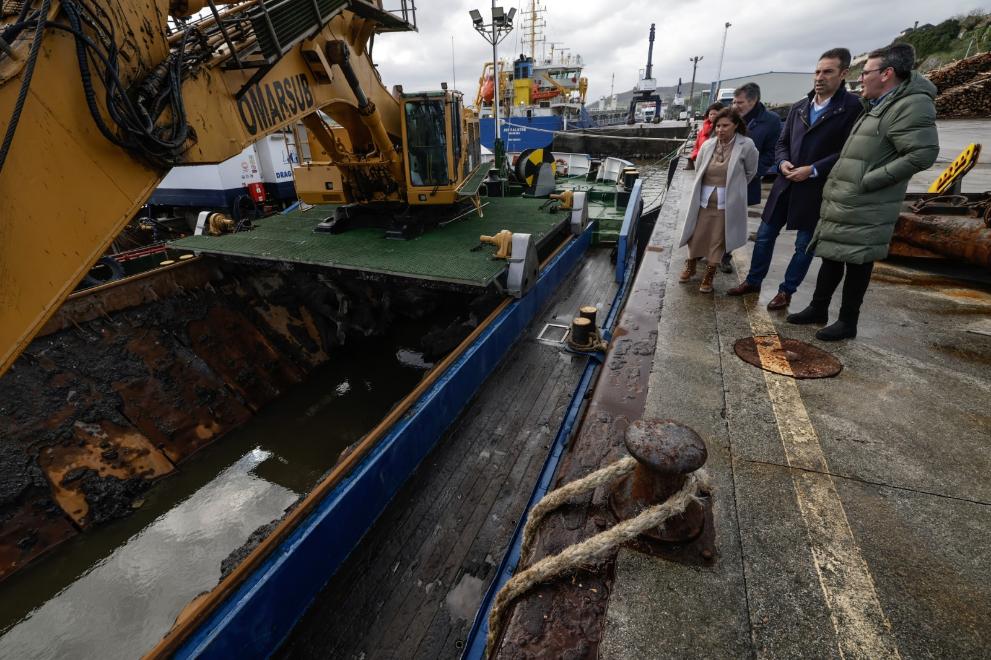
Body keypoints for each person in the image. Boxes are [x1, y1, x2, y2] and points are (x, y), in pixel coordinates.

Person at [788, 42, 938, 340]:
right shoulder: (877, 104)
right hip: (846, 199)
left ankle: (847, 321)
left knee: (858, 261)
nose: (861, 79)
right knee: (832, 255)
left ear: (887, 74)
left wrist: (870, 180)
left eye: (866, 72)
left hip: (868, 201)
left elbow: (922, 154)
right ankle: (818, 308)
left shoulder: (911, 105)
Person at [727, 48, 863, 309]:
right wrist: (782, 162)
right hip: (785, 183)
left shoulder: (851, 108)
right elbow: (782, 142)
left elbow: (848, 150)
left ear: (844, 73)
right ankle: (753, 281)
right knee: (765, 235)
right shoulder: (800, 107)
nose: (820, 77)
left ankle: (786, 291)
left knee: (804, 244)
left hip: (816, 188)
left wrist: (813, 169)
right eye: (817, 71)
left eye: (828, 72)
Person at [678, 108, 759, 293]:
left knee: (717, 239)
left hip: (726, 204)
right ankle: (690, 267)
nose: (720, 129)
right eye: (718, 125)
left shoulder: (746, 145)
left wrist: (734, 187)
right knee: (695, 235)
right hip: (704, 200)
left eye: (725, 125)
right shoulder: (708, 144)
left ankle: (709, 275)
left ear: (736, 125)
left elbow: (751, 171)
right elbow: (699, 169)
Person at [723, 82, 782, 274]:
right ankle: (707, 249)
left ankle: (725, 255)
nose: (735, 106)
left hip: (746, 179)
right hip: (721, 175)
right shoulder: (731, 116)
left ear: (753, 100)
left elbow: (771, 152)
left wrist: (753, 171)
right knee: (714, 214)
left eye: (739, 102)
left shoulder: (771, 121)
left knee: (733, 219)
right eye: (733, 101)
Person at [687, 102, 723, 170]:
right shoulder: (702, 130)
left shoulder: (721, 130)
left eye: (715, 114)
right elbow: (696, 146)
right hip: (702, 161)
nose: (712, 116)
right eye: (710, 114)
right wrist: (695, 155)